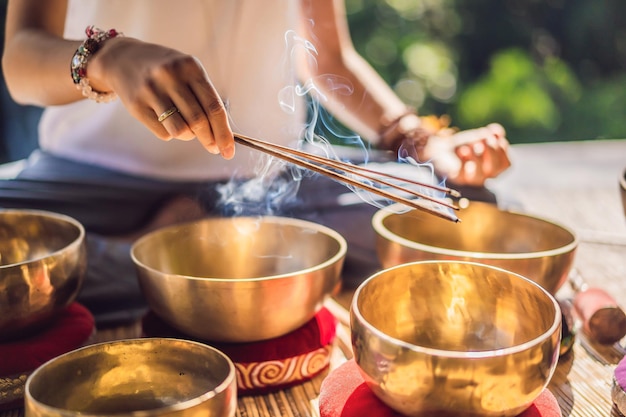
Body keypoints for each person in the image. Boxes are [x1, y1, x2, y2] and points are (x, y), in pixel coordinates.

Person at [1, 0, 510, 326]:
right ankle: (201, 260)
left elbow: (327, 58)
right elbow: (21, 59)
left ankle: (137, 264)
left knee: (467, 207)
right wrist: (107, 59)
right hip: (89, 180)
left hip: (270, 186)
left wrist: (422, 141)